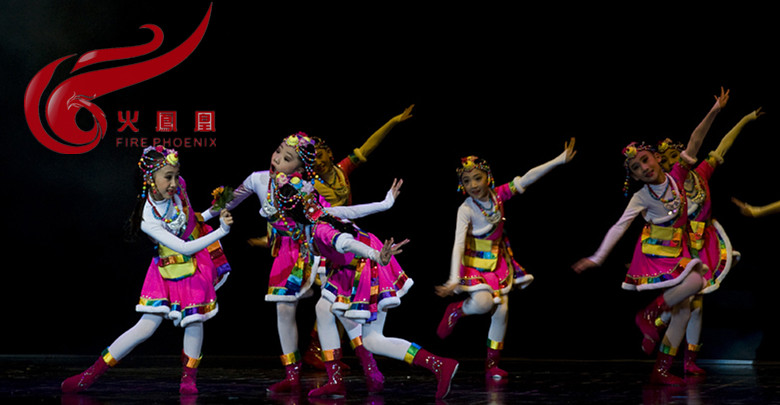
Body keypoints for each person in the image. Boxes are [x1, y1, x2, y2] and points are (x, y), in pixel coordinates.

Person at [201, 132, 382, 393]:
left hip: (313, 247)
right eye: (278, 152)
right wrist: (204, 216)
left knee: (338, 308)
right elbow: (231, 199)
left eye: (286, 158)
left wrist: (380, 206)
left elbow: (330, 216)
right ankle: (292, 375)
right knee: (284, 309)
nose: (276, 159)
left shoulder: (305, 190)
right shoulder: (258, 179)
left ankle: (368, 365)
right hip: (286, 253)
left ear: (299, 169)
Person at [572, 88, 729, 385]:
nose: (643, 168)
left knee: (683, 312)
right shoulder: (642, 197)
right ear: (633, 175)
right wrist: (597, 257)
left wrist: (715, 111)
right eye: (636, 168)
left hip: (678, 250)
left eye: (645, 160)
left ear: (656, 158)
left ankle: (661, 369)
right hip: (656, 253)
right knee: (696, 281)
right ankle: (649, 314)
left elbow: (696, 140)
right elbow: (619, 226)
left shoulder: (678, 177)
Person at [61, 146, 234, 395]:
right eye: (168, 177)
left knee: (195, 319)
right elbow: (182, 247)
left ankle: (188, 380)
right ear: (149, 179)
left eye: (176, 175)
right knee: (146, 327)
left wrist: (216, 209)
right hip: (166, 270)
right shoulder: (148, 218)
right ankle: (89, 375)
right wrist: (221, 231)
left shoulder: (179, 187)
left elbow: (192, 220)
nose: (174, 182)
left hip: (193, 265)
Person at [273, 172, 459, 400]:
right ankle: (335, 381)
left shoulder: (319, 228)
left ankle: (439, 365)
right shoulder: (318, 216)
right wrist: (385, 203)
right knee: (323, 309)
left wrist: (376, 255)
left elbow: (344, 242)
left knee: (372, 340)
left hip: (365, 268)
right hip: (349, 268)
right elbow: (352, 211)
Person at [434, 138, 576, 381]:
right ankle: (456, 311)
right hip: (474, 263)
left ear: (487, 176)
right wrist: (453, 279)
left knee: (502, 310)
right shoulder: (466, 209)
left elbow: (527, 178)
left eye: (477, 178)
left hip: (498, 262)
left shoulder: (499, 195)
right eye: (467, 181)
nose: (473, 185)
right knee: (482, 304)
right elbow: (458, 243)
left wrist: (559, 160)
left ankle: (492, 366)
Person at [652, 108, 762, 374]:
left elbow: (723, 144)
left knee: (697, 307)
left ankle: (686, 358)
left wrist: (744, 120)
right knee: (689, 305)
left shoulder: (701, 174)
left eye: (675, 155)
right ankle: (660, 324)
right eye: (668, 160)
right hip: (681, 248)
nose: (675, 161)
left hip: (704, 244)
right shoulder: (668, 187)